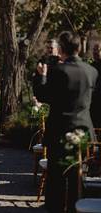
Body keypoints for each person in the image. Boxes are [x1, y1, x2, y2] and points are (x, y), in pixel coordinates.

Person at [33, 31, 99, 213]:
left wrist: (41, 76)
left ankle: (55, 208)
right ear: (79, 48)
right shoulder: (91, 71)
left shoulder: (58, 71)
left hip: (60, 130)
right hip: (83, 129)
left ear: (61, 49)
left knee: (56, 176)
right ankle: (74, 207)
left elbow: (44, 95)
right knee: (77, 173)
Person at [90, 42, 101, 128]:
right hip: (93, 104)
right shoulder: (91, 66)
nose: (95, 52)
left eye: (97, 50)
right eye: (94, 50)